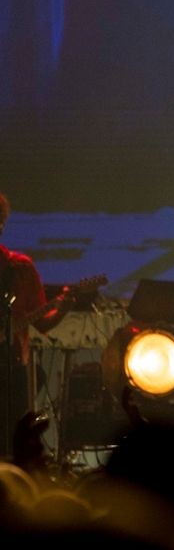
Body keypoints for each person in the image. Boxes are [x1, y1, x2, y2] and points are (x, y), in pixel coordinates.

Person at [1, 193, 72, 456]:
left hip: (12, 364)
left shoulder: (20, 268)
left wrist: (64, 306)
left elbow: (42, 322)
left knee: (12, 433)